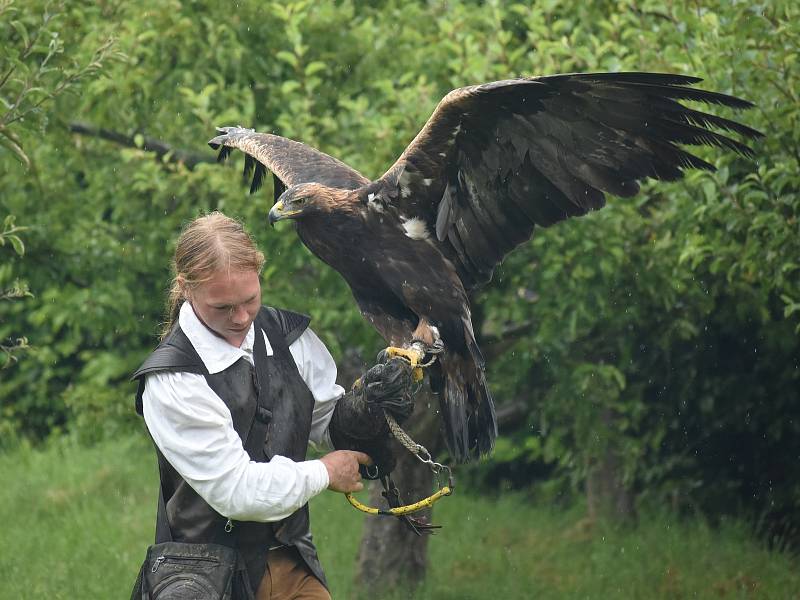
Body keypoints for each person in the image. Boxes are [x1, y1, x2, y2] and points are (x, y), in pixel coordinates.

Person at [131, 212, 413, 599]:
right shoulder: (173, 379)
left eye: (250, 299)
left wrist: (371, 409)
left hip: (293, 564)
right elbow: (237, 491)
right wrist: (325, 472)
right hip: (205, 580)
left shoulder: (289, 338)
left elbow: (330, 425)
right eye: (223, 307)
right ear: (186, 288)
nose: (242, 317)